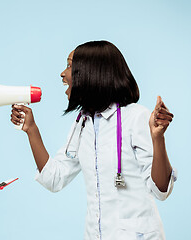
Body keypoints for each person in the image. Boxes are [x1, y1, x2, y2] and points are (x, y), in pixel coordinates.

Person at [11, 40, 177, 239]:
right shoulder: (82, 123)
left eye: (70, 65)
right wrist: (31, 129)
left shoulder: (135, 117)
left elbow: (161, 191)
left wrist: (158, 138)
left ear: (92, 72)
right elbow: (53, 179)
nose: (63, 74)